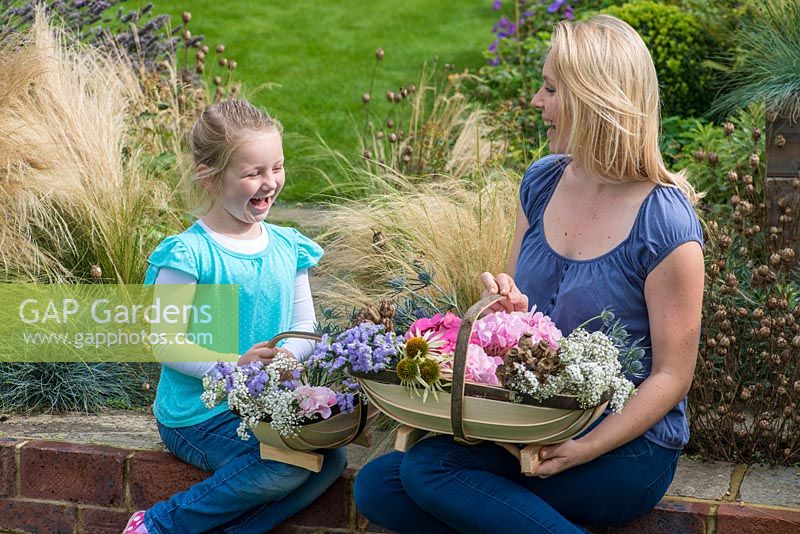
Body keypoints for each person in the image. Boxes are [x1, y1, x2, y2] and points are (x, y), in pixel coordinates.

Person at [354, 14, 704, 533]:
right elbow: (526, 320)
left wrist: (582, 449)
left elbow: (672, 376)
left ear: (593, 100)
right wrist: (512, 312)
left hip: (626, 449)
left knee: (430, 473)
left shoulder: (665, 223)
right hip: (532, 423)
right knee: (377, 485)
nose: (537, 102)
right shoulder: (542, 183)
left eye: (550, 89)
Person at [123, 100, 347, 534]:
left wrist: (289, 357)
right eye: (252, 173)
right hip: (197, 416)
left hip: (265, 406)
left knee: (331, 459)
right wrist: (234, 366)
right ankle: (157, 525)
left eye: (277, 168)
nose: (269, 183)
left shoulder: (288, 246)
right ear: (210, 177)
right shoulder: (190, 254)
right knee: (283, 466)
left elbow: (305, 330)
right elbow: (164, 342)